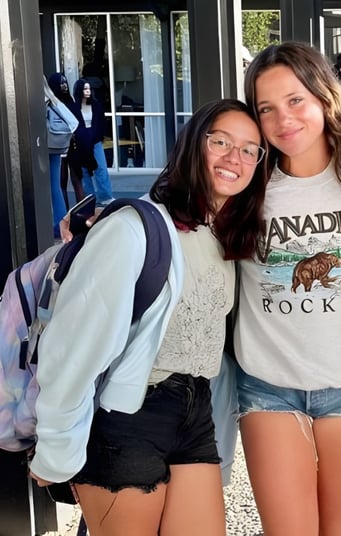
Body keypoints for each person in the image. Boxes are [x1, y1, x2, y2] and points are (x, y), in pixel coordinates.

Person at [29, 98, 268, 535]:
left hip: (194, 414)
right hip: (128, 418)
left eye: (251, 149)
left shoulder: (224, 236)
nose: (236, 158)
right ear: (194, 145)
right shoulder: (132, 229)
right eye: (222, 142)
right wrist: (56, 450)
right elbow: (73, 348)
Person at [236, 41, 341, 535]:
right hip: (268, 385)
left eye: (296, 99)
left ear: (324, 96)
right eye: (266, 108)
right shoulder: (244, 190)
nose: (283, 119)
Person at [69, 78, 114, 206]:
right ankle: (89, 198)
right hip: (82, 143)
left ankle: (105, 196)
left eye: (89, 89)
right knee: (84, 170)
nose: (88, 91)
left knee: (101, 167)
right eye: (85, 89)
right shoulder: (74, 107)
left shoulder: (96, 105)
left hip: (95, 141)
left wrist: (96, 136)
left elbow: (101, 123)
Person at [44, 73, 71, 237]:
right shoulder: (52, 98)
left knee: (51, 184)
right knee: (55, 184)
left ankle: (57, 224)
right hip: (55, 144)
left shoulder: (43, 99)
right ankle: (61, 222)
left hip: (44, 144)